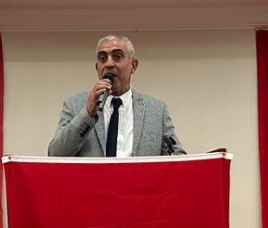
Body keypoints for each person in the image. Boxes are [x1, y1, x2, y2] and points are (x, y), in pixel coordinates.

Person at [48, 35, 186, 157]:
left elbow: (178, 157)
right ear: (97, 68)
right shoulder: (75, 105)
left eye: (117, 56)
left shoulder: (156, 110)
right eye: (103, 58)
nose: (109, 64)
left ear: (133, 66)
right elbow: (56, 154)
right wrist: (88, 114)